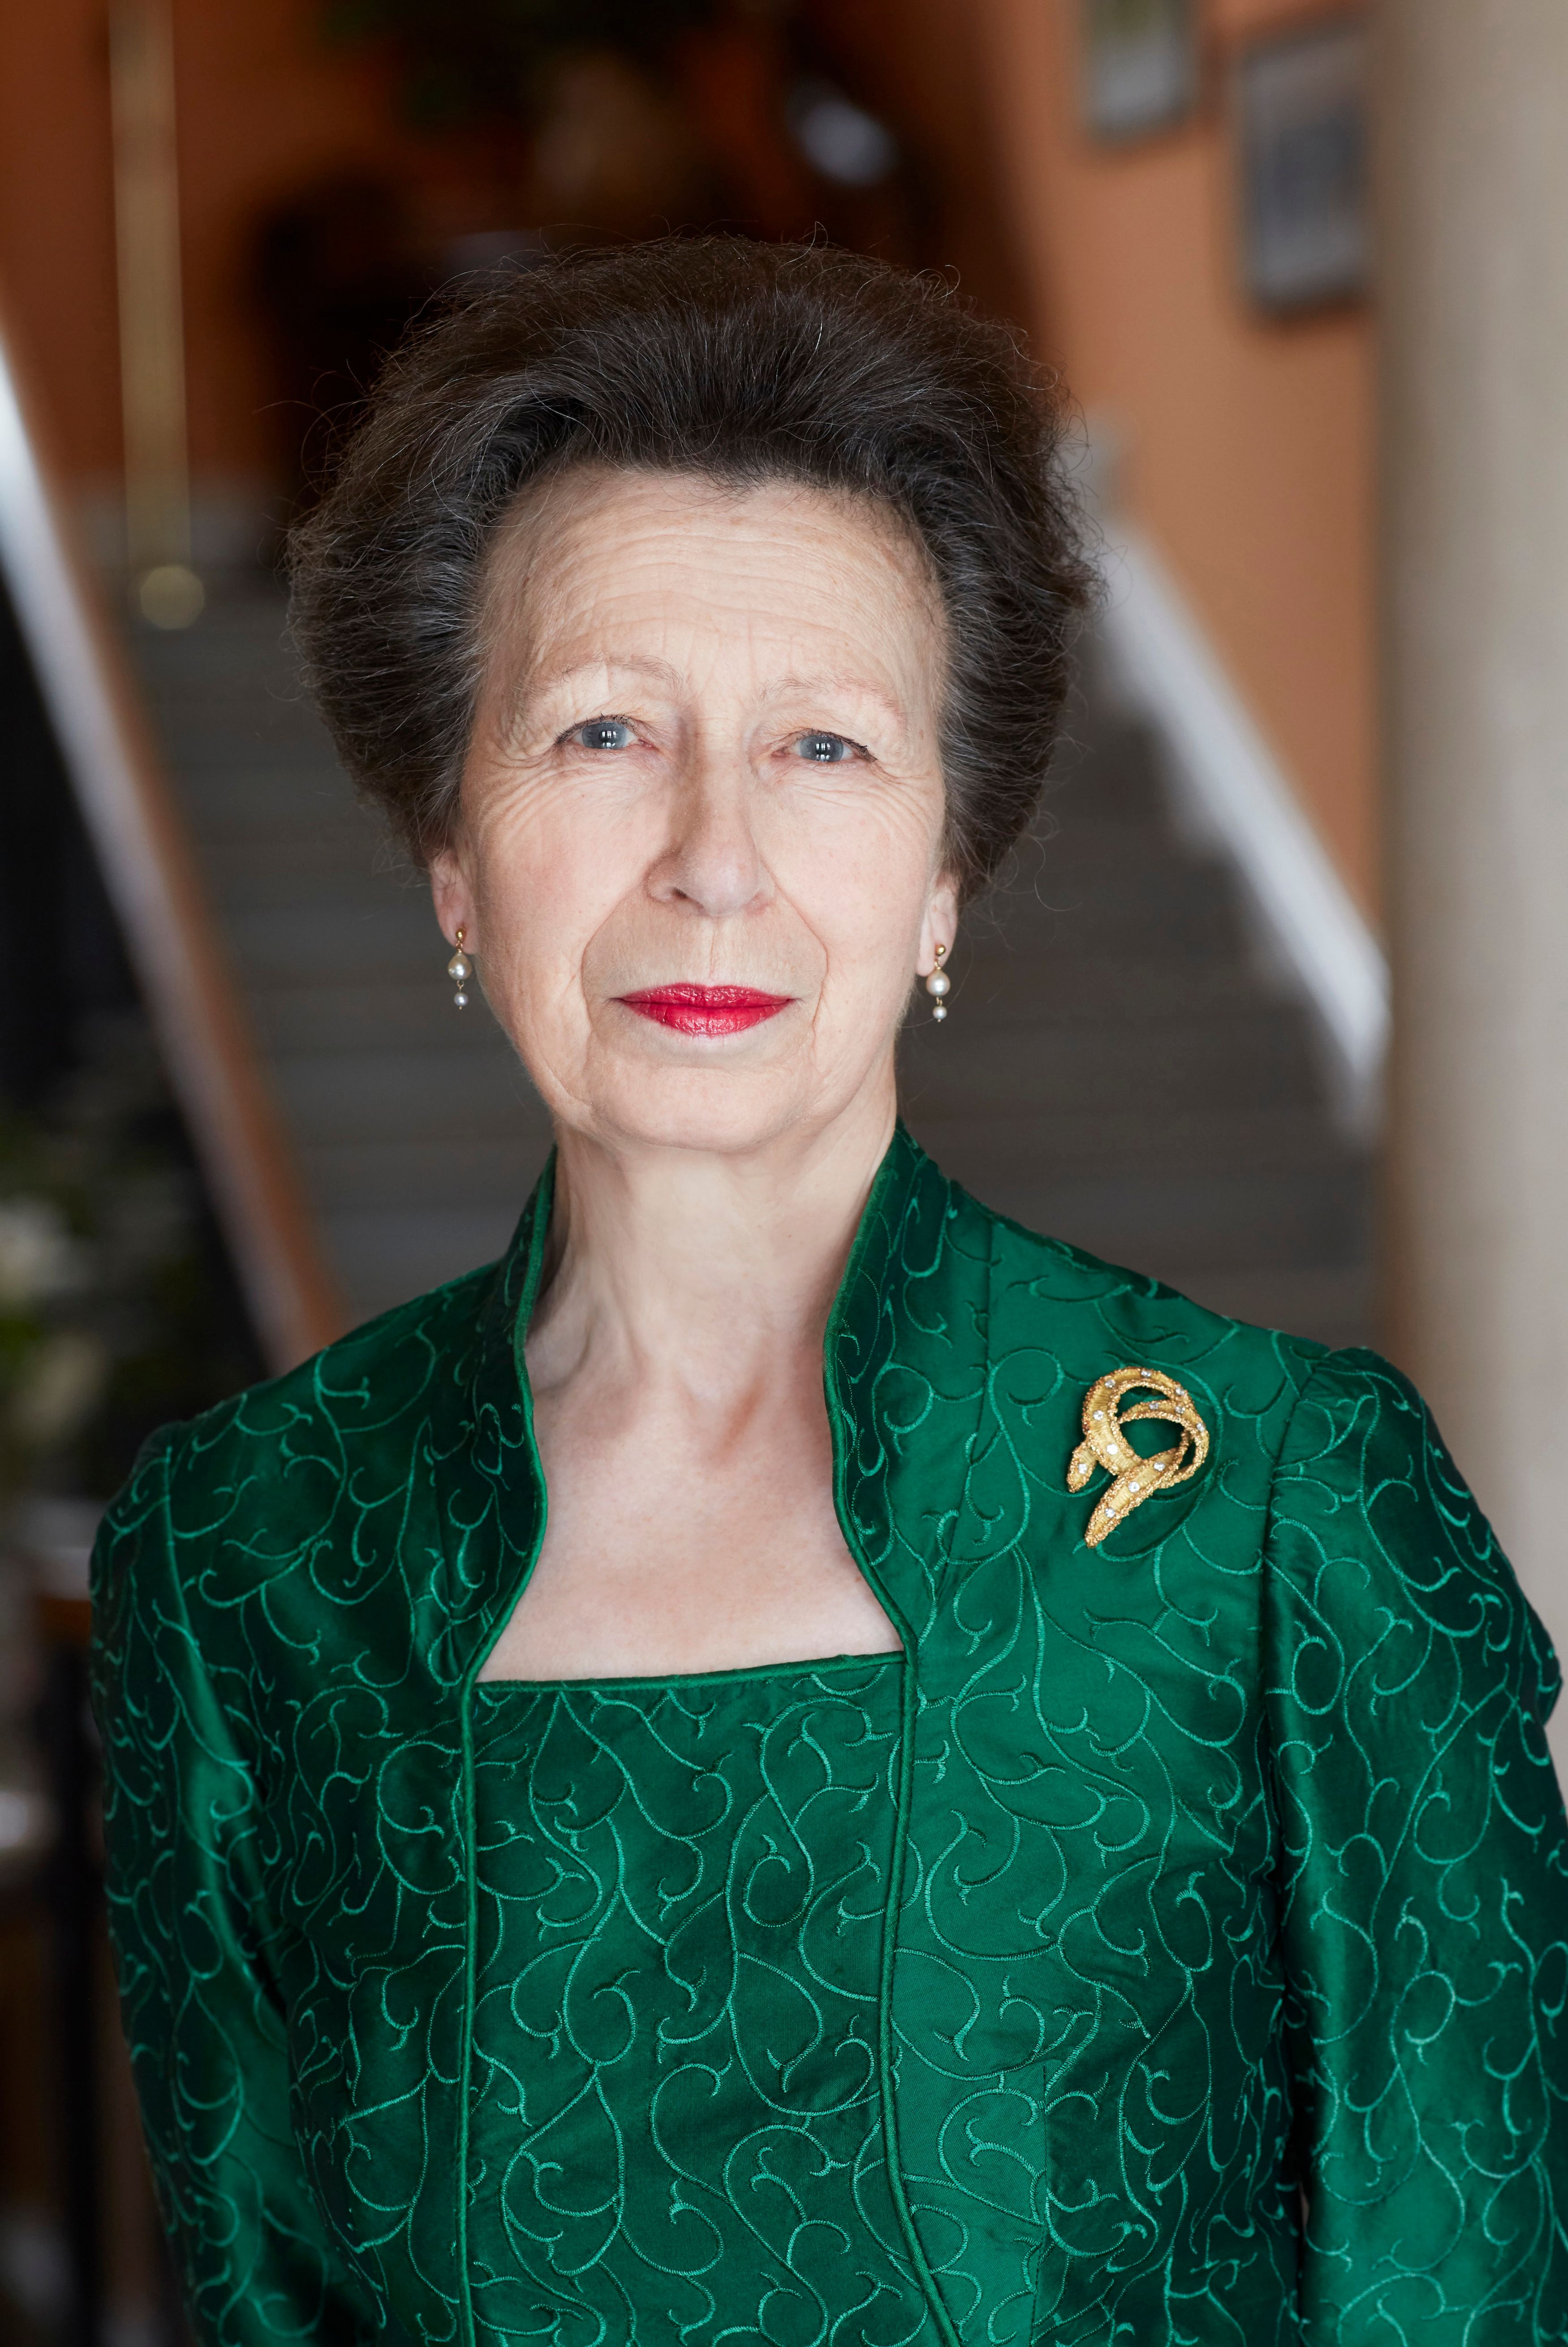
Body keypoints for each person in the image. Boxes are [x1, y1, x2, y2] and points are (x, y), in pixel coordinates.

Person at [91, 239, 1568, 2347]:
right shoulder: (243, 1557)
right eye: (601, 729)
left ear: (947, 867)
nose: (710, 854)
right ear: (450, 855)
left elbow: (1472, 2284)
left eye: (823, 749)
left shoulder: (1276, 1516)